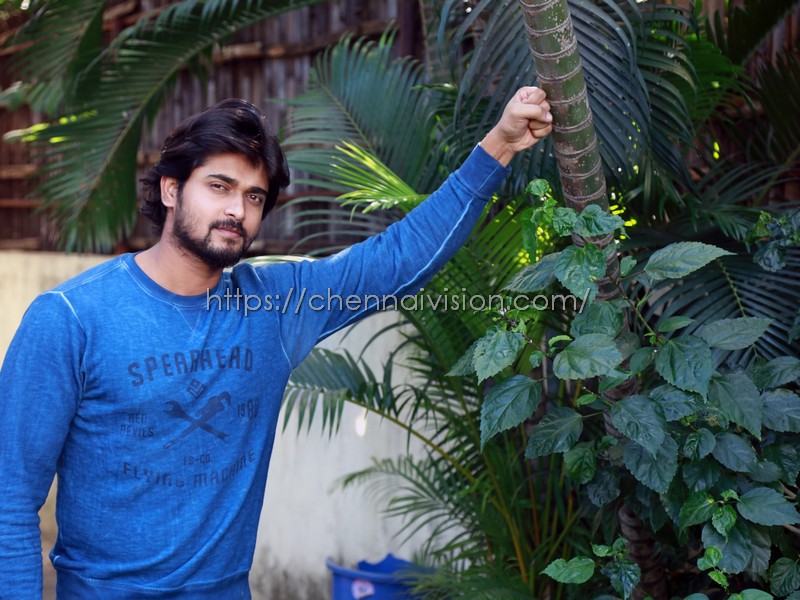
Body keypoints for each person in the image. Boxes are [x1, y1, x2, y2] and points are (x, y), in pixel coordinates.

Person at [0, 87, 552, 598]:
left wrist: (500, 146)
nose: (236, 211)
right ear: (171, 189)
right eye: (219, 186)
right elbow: (10, 502)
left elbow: (398, 258)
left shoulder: (273, 307)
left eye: (254, 196)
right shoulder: (71, 318)